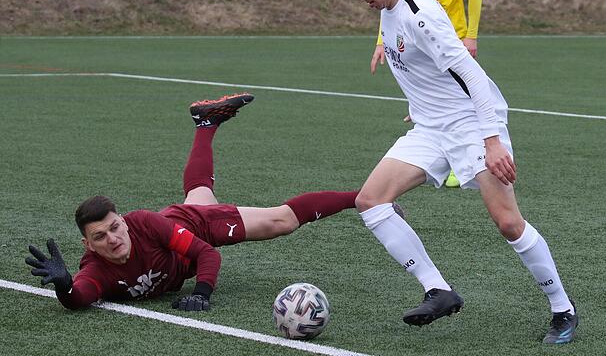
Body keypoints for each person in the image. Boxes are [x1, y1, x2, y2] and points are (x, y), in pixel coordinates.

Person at [342, 0, 578, 344]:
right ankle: (438, 289)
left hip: (472, 124)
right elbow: (419, 68)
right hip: (431, 127)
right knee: (371, 200)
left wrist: (491, 141)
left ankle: (563, 310)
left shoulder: (420, 16)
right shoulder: (388, 6)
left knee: (508, 223)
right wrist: (420, 104)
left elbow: (471, 75)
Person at [25, 93, 363, 311]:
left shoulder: (143, 223)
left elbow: (205, 252)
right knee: (199, 192)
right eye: (100, 236)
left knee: (282, 221)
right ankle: (205, 122)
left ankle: (363, 199)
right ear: (88, 244)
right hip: (184, 218)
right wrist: (65, 287)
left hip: (196, 226)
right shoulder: (96, 268)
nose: (112, 238)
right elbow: (80, 297)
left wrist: (202, 292)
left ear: (124, 221)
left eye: (114, 227)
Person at [372, 0, 483, 188]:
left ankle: (474, 154)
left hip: (450, 37)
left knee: (466, 93)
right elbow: (390, 3)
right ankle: (444, 155)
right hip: (413, 39)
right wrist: (380, 41)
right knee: (429, 95)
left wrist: (471, 35)